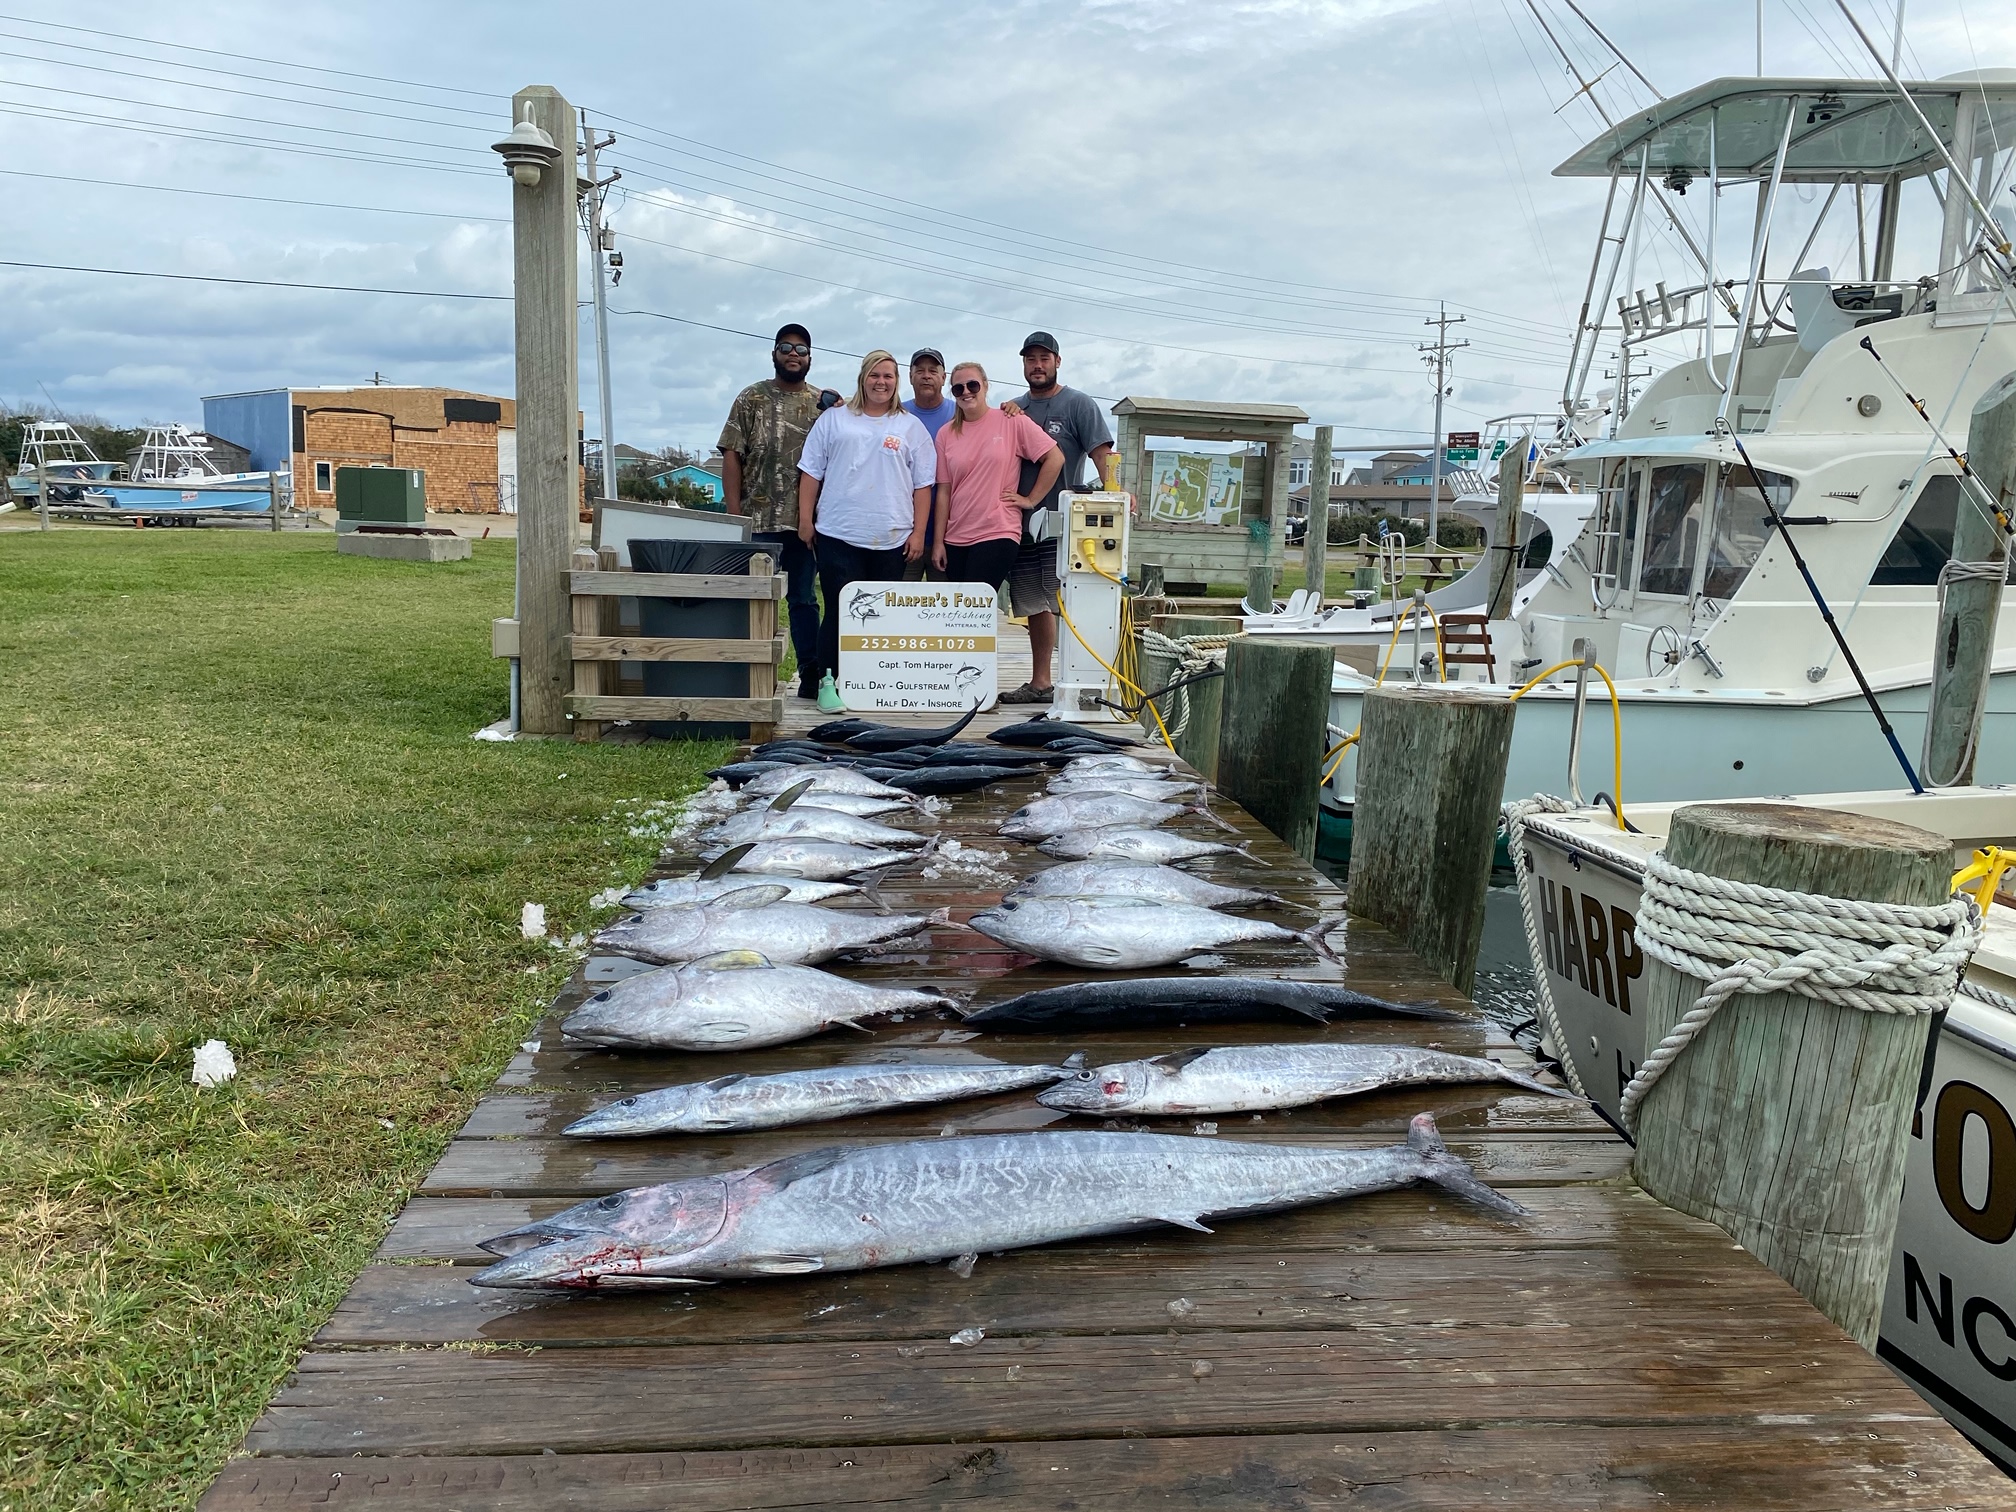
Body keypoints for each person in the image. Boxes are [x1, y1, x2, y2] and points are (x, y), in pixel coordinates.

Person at [797, 350, 936, 713]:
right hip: (838, 534)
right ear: (863, 378)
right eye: (875, 375)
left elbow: (923, 485)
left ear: (896, 381)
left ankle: (873, 682)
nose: (881, 382)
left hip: (891, 538)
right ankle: (830, 682)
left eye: (888, 376)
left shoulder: (910, 427)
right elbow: (811, 471)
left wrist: (919, 532)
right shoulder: (834, 420)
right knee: (839, 611)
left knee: (880, 617)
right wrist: (805, 520)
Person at [999, 331, 1113, 704]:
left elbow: (1101, 453)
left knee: (1067, 601)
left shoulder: (1078, 403)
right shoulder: (1014, 408)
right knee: (1033, 603)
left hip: (1066, 524)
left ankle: (1081, 680)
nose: (1037, 365)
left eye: (1044, 358)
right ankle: (1041, 682)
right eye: (1031, 359)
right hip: (1023, 523)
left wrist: (1117, 491)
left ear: (1057, 362)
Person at [717, 323, 830, 699]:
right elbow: (732, 454)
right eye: (786, 347)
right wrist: (737, 517)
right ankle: (745, 676)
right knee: (752, 600)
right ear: (774, 354)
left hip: (803, 525)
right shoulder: (751, 398)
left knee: (802, 600)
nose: (793, 355)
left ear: (810, 358)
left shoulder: (824, 405)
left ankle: (810, 674)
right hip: (758, 523)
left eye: (801, 350)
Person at [929, 362, 1062, 598]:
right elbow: (944, 491)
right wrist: (939, 542)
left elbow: (1054, 458)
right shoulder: (945, 434)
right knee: (958, 614)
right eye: (958, 389)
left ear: (986, 386)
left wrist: (1031, 500)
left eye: (972, 385)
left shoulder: (1011, 420)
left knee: (975, 605)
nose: (966, 392)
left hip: (997, 531)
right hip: (956, 536)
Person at [900, 348, 955, 581]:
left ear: (944, 378)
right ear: (910, 376)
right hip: (904, 533)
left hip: (950, 534)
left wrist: (1011, 409)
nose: (926, 375)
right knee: (897, 605)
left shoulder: (961, 413)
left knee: (945, 611)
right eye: (919, 370)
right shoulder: (896, 413)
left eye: (933, 371)